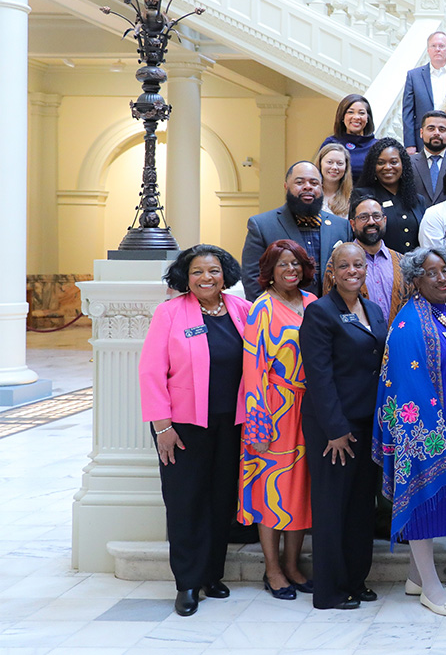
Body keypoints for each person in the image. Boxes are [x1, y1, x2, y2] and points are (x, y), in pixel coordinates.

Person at [139, 245, 250, 617]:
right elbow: (151, 372)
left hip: (232, 424)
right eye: (198, 272)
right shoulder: (169, 313)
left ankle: (211, 575)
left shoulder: (241, 311)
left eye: (214, 271)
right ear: (186, 277)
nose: (207, 278)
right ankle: (187, 582)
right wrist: (162, 426)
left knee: (221, 501)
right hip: (182, 426)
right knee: (186, 503)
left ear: (225, 274)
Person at [374, 248, 446, 617]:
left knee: (439, 503)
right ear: (415, 281)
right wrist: (432, 436)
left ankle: (417, 576)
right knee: (423, 500)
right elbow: (408, 387)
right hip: (429, 430)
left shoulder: (444, 313)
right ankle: (430, 588)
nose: (443, 278)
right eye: (432, 273)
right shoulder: (409, 323)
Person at [298, 243, 388, 610]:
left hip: (367, 424)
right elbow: (318, 377)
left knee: (359, 509)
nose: (353, 270)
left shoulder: (375, 309)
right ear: (331, 272)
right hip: (333, 429)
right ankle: (331, 590)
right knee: (333, 508)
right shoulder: (320, 313)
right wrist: (335, 429)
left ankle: (355, 579)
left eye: (358, 264)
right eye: (344, 265)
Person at [239, 239, 319, 601]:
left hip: (309, 409)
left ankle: (293, 565)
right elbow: (253, 369)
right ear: (269, 270)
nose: (291, 270)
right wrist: (258, 422)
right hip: (273, 409)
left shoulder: (312, 303)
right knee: (272, 493)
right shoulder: (262, 308)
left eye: (296, 264)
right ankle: (272, 569)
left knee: (300, 493)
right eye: (283, 264)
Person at [242, 161, 352, 300]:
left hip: (333, 313)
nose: (308, 187)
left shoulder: (342, 226)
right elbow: (252, 278)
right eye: (300, 182)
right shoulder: (262, 225)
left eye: (314, 183)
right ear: (286, 186)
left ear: (322, 188)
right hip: (284, 313)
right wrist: (270, 313)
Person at [322, 192, 408, 322]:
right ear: (352, 224)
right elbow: (329, 311)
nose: (371, 222)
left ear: (384, 221)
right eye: (363, 217)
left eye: (376, 216)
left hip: (397, 340)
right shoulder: (337, 263)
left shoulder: (402, 263)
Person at [319, 94, 377, 181]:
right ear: (342, 116)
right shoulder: (331, 143)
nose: (356, 117)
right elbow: (319, 173)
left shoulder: (377, 146)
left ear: (368, 118)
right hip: (337, 194)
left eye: (361, 113)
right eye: (350, 112)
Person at [410, 110, 446, 210]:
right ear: (421, 133)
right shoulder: (407, 163)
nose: (436, 133)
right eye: (431, 129)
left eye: (442, 129)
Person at [315, 143, 355, 220]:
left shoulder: (353, 198)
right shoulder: (309, 195)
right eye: (329, 162)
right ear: (320, 163)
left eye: (340, 163)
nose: (334, 167)